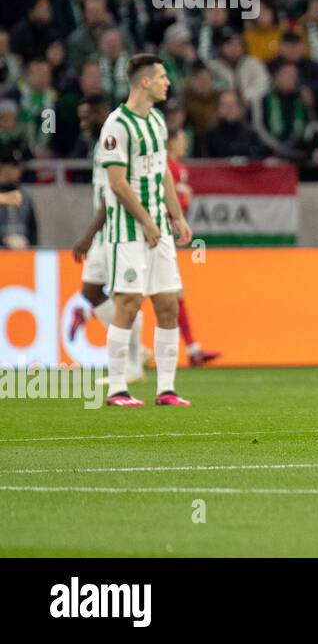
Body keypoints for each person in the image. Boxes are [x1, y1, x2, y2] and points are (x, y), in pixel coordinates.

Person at [96, 54, 194, 407]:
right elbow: (118, 184)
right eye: (163, 76)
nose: (168, 82)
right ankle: (117, 388)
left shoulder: (156, 121)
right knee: (129, 303)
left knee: (168, 303)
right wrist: (148, 222)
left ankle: (166, 389)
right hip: (129, 231)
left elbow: (162, 171)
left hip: (159, 229)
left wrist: (177, 216)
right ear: (144, 82)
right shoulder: (116, 125)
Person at [68, 96, 148, 384]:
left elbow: (113, 191)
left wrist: (88, 235)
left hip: (115, 231)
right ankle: (135, 356)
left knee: (120, 296)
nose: (83, 122)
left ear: (102, 113)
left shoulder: (112, 140)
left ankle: (132, 363)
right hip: (106, 232)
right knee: (96, 292)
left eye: (87, 115)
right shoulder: (102, 140)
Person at [166, 131, 220, 366]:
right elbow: (174, 204)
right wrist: (185, 199)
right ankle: (190, 350)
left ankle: (193, 348)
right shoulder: (172, 168)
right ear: (171, 142)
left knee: (172, 293)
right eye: (181, 140)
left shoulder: (172, 166)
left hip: (162, 236)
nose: (185, 144)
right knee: (163, 293)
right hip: (157, 237)